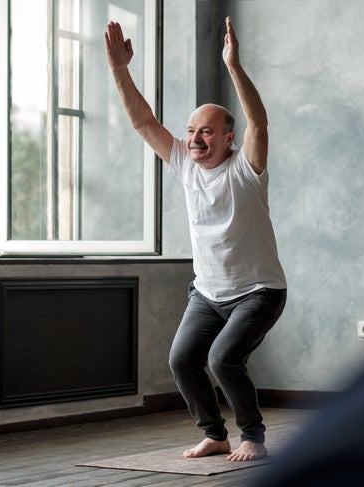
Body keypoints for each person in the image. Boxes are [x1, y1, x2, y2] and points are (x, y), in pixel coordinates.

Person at [105, 16, 287, 462]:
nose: (194, 138)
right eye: (190, 131)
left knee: (224, 359)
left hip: (258, 291)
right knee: (183, 360)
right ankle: (215, 434)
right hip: (207, 292)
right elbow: (143, 121)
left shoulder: (245, 170)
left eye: (206, 131)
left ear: (228, 138)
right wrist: (119, 68)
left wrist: (233, 66)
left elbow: (258, 123)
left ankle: (253, 437)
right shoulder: (184, 165)